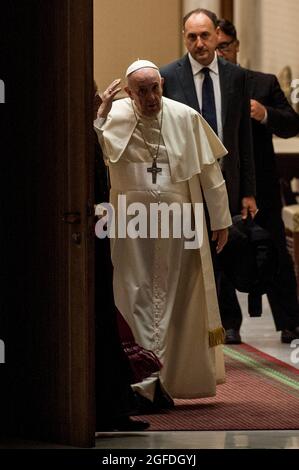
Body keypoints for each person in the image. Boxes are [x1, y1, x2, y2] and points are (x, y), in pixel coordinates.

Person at [94, 60, 232, 405]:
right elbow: (91, 153)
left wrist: (220, 220)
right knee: (133, 294)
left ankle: (167, 380)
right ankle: (141, 381)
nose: (152, 96)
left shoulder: (185, 117)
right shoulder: (113, 114)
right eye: (142, 90)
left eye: (156, 87)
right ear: (129, 92)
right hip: (130, 226)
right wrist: (99, 115)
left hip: (178, 223)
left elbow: (209, 172)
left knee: (177, 297)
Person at [216, 19, 299, 344]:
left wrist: (265, 113)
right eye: (215, 47)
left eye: (225, 46)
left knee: (275, 250)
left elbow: (292, 124)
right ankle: (229, 324)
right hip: (222, 184)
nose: (221, 53)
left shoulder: (262, 83)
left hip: (262, 185)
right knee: (221, 253)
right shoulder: (206, 86)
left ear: (236, 47)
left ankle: (290, 321)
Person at [93, 83, 149, 431]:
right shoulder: (76, 132)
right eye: (94, 95)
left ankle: (114, 404)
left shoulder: (89, 128)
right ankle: (109, 406)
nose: (100, 100)